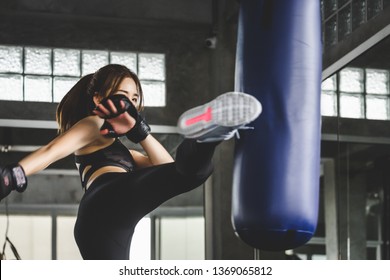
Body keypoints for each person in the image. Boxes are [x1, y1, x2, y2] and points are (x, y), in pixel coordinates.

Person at [0, 64, 261, 259]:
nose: (130, 103)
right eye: (122, 95)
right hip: (105, 200)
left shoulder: (124, 152)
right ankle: (205, 138)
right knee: (190, 174)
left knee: (189, 173)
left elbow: (167, 169)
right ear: (98, 99)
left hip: (105, 219)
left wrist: (140, 133)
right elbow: (52, 150)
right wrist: (15, 174)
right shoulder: (93, 123)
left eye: (135, 99)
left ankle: (208, 136)